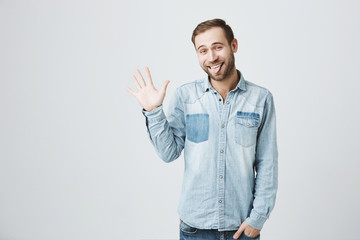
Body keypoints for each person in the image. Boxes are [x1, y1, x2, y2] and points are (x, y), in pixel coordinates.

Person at [126, 18, 278, 240]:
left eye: (218, 47)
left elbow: (267, 162)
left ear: (233, 45)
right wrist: (153, 111)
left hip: (242, 228)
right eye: (203, 50)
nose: (212, 57)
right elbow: (169, 153)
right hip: (195, 229)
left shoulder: (261, 99)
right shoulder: (186, 97)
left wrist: (258, 219)